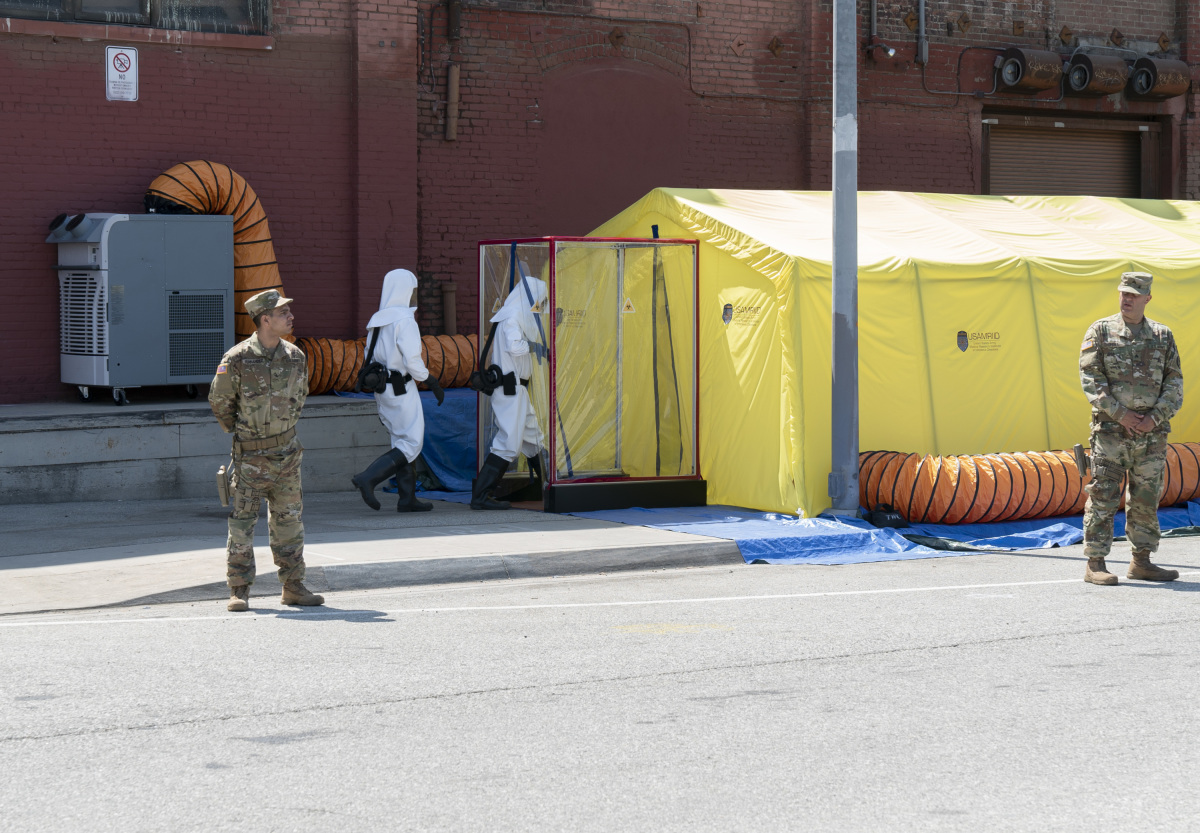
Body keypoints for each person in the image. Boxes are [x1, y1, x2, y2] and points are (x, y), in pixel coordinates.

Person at [209, 289, 324, 611]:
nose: (290, 316)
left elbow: (300, 396)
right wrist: (247, 435)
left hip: (287, 454)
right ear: (265, 320)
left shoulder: (295, 356)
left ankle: (293, 587)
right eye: (283, 313)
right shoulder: (237, 358)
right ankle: (239, 590)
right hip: (250, 458)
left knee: (290, 522)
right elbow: (220, 402)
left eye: (288, 311)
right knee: (242, 523)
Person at [1078, 271, 1183, 586]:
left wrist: (1154, 418)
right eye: (1124, 293)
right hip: (1111, 433)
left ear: (1147, 298)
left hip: (1151, 435)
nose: (1127, 299)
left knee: (1146, 498)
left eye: (1134, 295)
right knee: (1103, 495)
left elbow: (1174, 383)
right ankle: (1095, 563)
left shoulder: (1162, 336)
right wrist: (1121, 414)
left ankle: (1142, 561)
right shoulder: (1101, 331)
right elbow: (1090, 377)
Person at [351, 269, 444, 511]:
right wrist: (430, 380)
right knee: (411, 442)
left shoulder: (377, 320)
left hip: (383, 389)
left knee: (400, 440)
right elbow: (412, 360)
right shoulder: (404, 320)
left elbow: (369, 356)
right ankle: (368, 478)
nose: (414, 296)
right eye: (412, 290)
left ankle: (407, 499)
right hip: (402, 388)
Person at [472, 274, 547, 510]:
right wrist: (533, 346)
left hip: (517, 389)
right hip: (509, 389)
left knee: (534, 438)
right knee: (509, 444)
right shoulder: (513, 315)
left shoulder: (511, 315)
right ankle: (481, 496)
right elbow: (515, 347)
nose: (540, 306)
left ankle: (547, 487)